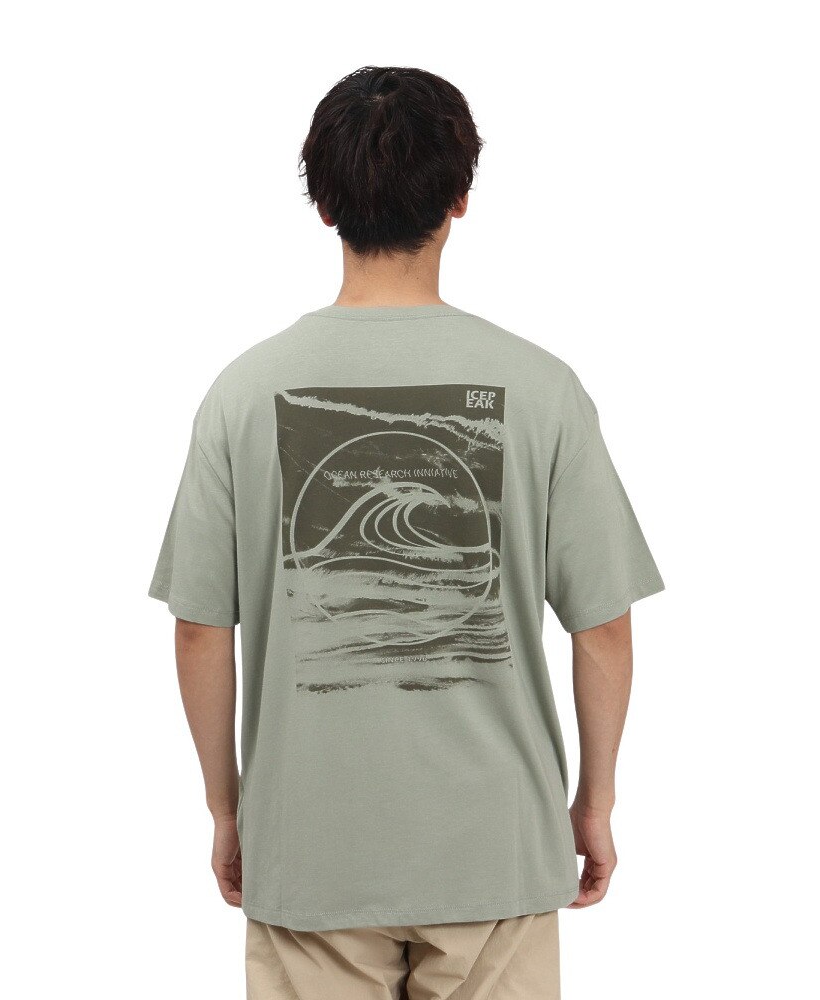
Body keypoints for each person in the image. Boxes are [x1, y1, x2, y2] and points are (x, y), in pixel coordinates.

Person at [149, 65, 664, 1000]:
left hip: (309, 850)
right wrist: (594, 801)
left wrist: (228, 808)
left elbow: (198, 629)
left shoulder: (243, 393)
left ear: (323, 204)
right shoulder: (541, 388)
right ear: (460, 198)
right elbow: (604, 626)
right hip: (496, 850)